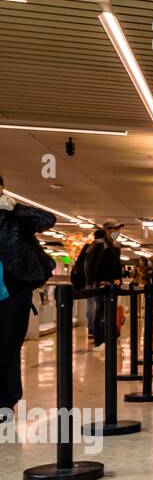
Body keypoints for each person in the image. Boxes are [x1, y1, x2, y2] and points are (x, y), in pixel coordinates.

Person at [0, 175, 55, 418]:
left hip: (12, 291)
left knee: (8, 348)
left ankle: (6, 402)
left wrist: (15, 207)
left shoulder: (12, 215)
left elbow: (48, 220)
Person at [85, 221, 124, 346]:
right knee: (100, 312)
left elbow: (115, 264)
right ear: (108, 230)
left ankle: (107, 338)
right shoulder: (100, 244)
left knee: (108, 312)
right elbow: (96, 264)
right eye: (115, 229)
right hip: (102, 282)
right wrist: (99, 280)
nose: (118, 232)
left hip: (111, 283)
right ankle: (99, 340)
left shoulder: (113, 245)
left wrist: (118, 278)